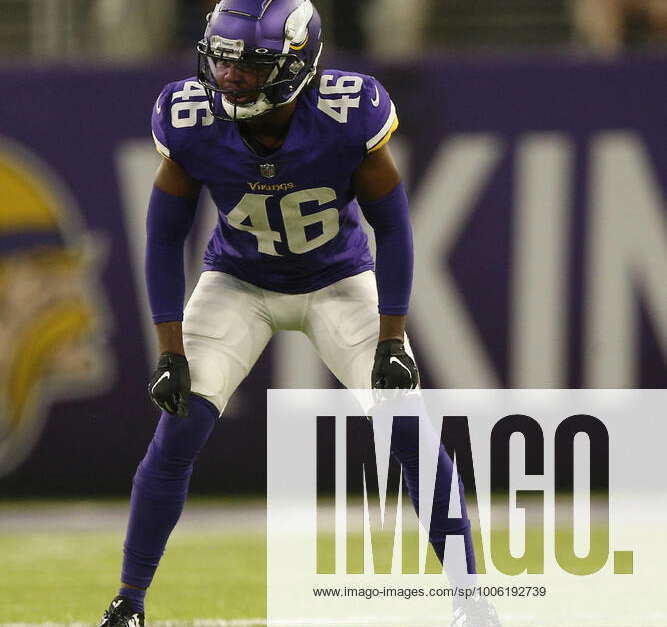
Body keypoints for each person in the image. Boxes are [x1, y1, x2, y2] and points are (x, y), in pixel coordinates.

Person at [98, 1, 499, 626]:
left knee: (411, 435)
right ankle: (128, 602)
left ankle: (474, 604)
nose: (228, 79)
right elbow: (161, 235)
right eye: (223, 64)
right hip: (238, 283)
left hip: (338, 281)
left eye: (248, 68)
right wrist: (170, 348)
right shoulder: (190, 116)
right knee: (177, 433)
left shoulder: (346, 114)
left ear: (295, 67)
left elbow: (392, 228)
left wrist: (393, 334)